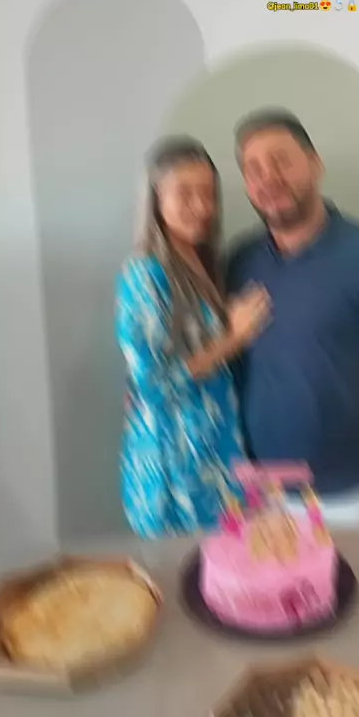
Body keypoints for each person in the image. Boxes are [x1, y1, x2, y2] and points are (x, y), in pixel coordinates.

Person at [226, 108, 359, 530]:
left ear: (315, 164)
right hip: (258, 498)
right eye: (254, 169)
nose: (268, 177)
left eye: (281, 161)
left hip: (355, 501)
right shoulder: (239, 261)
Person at [116, 136, 271, 539]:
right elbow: (153, 386)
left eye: (208, 194)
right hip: (175, 465)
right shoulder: (145, 275)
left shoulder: (204, 262)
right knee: (185, 571)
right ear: (155, 199)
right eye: (185, 194)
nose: (202, 207)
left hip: (215, 454)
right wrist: (233, 339)